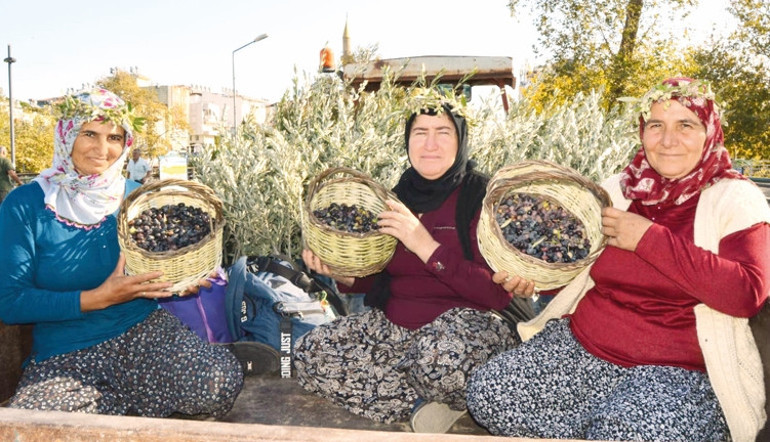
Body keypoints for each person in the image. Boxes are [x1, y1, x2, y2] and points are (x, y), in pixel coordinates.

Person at [466, 78, 770, 441]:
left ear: (709, 132)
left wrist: (648, 239)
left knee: (628, 430)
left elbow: (747, 293)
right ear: (643, 132)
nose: (668, 140)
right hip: (584, 347)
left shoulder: (735, 198)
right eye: (656, 125)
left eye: (685, 125)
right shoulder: (620, 189)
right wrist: (535, 280)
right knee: (488, 393)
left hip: (676, 372)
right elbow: (579, 264)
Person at [295, 96, 535, 433]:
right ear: (407, 141)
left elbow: (496, 295)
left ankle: (439, 389)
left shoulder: (482, 197)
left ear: (461, 139)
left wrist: (424, 244)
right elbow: (378, 274)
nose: (431, 144)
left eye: (443, 132)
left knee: (437, 361)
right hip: (399, 329)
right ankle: (429, 405)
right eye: (420, 132)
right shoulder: (395, 197)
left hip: (464, 334)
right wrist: (339, 273)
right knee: (309, 354)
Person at [0, 88, 243, 417]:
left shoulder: (139, 198)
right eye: (89, 134)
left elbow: (158, 263)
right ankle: (127, 407)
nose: (102, 149)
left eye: (114, 137)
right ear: (66, 134)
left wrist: (177, 281)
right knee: (37, 421)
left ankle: (114, 407)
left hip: (141, 332)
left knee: (218, 384)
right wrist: (97, 298)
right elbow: (11, 302)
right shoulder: (27, 203)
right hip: (65, 351)